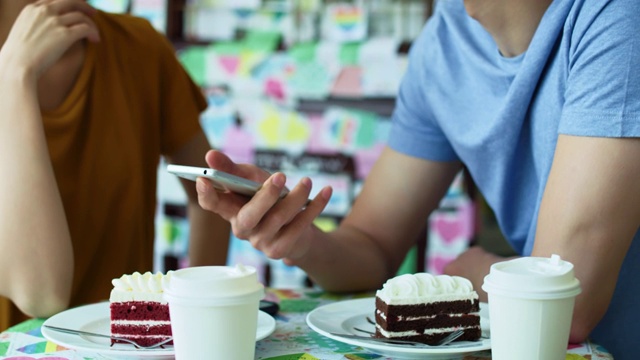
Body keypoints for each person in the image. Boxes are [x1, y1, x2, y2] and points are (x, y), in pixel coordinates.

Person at [194, 0, 640, 358]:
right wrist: (296, 238)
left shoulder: (620, 19)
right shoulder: (445, 40)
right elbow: (371, 246)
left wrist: (471, 271)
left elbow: (563, 305)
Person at [0, 0, 231, 329]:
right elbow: (42, 295)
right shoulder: (12, 71)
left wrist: (195, 321)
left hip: (128, 344)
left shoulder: (139, 47)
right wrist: (14, 74)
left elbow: (211, 196)